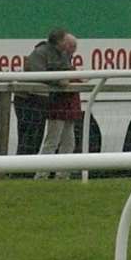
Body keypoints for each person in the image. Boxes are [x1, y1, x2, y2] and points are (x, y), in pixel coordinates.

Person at [16, 29, 70, 155]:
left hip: (42, 100)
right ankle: (21, 169)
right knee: (28, 135)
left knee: (37, 136)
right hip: (27, 99)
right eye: (65, 40)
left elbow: (67, 70)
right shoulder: (40, 53)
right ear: (59, 41)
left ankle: (30, 168)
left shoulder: (62, 54)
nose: (67, 44)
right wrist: (58, 81)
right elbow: (39, 74)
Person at [36, 30, 82, 176]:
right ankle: (42, 174)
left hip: (68, 105)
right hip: (59, 105)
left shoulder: (65, 59)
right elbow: (57, 79)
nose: (73, 50)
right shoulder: (56, 58)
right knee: (52, 140)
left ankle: (62, 174)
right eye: (71, 46)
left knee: (68, 142)